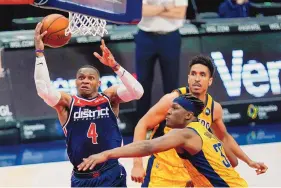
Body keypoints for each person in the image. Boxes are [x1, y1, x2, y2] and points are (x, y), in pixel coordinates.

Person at [33, 22, 144, 187]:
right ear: (76, 82)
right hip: (82, 179)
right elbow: (44, 90)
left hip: (111, 173)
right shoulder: (68, 103)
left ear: (99, 83)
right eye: (81, 77)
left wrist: (115, 66)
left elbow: (137, 92)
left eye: (90, 78)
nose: (85, 80)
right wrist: (40, 53)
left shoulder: (109, 98)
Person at [131, 55, 268, 187]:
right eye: (193, 74)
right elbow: (142, 125)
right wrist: (137, 164)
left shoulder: (214, 108)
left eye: (202, 75)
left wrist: (249, 161)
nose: (197, 79)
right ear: (188, 77)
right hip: (162, 173)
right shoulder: (172, 99)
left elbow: (224, 138)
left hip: (191, 176)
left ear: (210, 81)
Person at [77, 94, 249, 187]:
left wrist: (107, 154)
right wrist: (198, 179)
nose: (168, 112)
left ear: (189, 115)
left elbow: (148, 145)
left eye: (175, 108)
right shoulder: (206, 130)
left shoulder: (184, 134)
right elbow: (232, 162)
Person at [135, 0, 188, 121]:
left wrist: (154, 9)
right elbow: (141, 10)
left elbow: (180, 13)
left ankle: (170, 123)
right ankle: (142, 124)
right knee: (142, 84)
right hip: (145, 37)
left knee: (171, 83)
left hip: (170, 37)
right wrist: (166, 7)